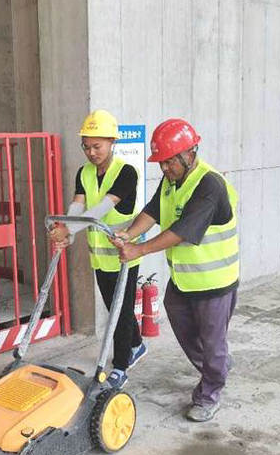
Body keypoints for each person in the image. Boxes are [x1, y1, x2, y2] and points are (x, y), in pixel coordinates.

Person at [112, 118, 239, 422]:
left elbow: (182, 230)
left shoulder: (209, 185)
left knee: (212, 340)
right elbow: (152, 212)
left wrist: (139, 249)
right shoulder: (171, 183)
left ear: (189, 154)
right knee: (187, 329)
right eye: (161, 163)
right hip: (184, 279)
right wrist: (129, 234)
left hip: (214, 282)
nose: (164, 168)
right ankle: (217, 366)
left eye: (169, 161)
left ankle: (209, 393)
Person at [48, 110, 147, 389]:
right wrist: (65, 228)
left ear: (111, 142)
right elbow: (78, 205)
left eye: (97, 146)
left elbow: (104, 207)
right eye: (86, 146)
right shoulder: (84, 172)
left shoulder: (126, 172)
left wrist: (70, 229)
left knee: (120, 310)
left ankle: (121, 365)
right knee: (113, 306)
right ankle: (137, 344)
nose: (91, 152)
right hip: (100, 258)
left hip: (124, 254)